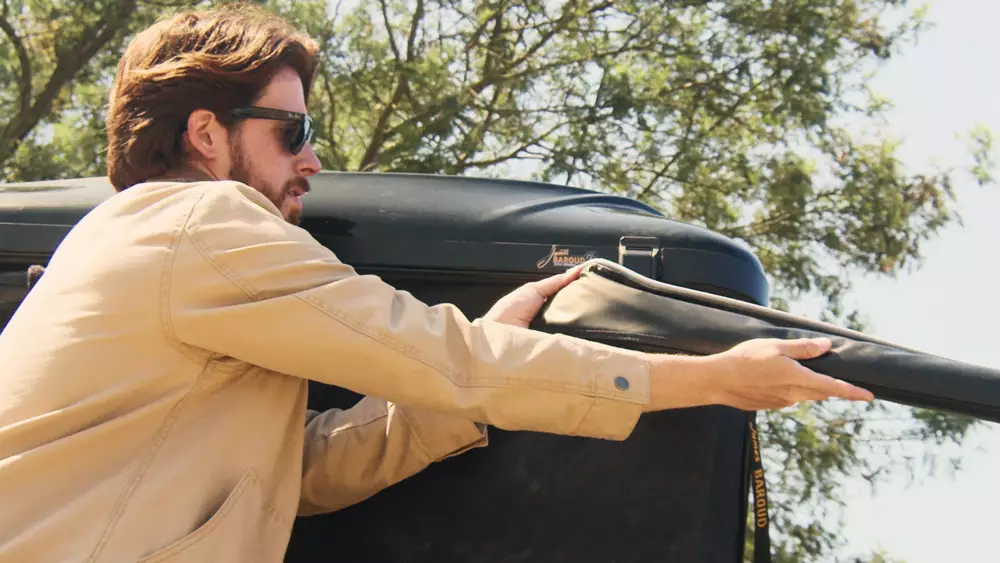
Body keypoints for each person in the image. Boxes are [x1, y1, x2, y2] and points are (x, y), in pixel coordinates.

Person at [0, 4, 874, 562]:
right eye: (292, 127)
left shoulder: (154, 258)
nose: (311, 160)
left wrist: (471, 395)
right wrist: (714, 377)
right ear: (204, 135)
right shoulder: (198, 225)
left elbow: (295, 470)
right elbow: (434, 353)